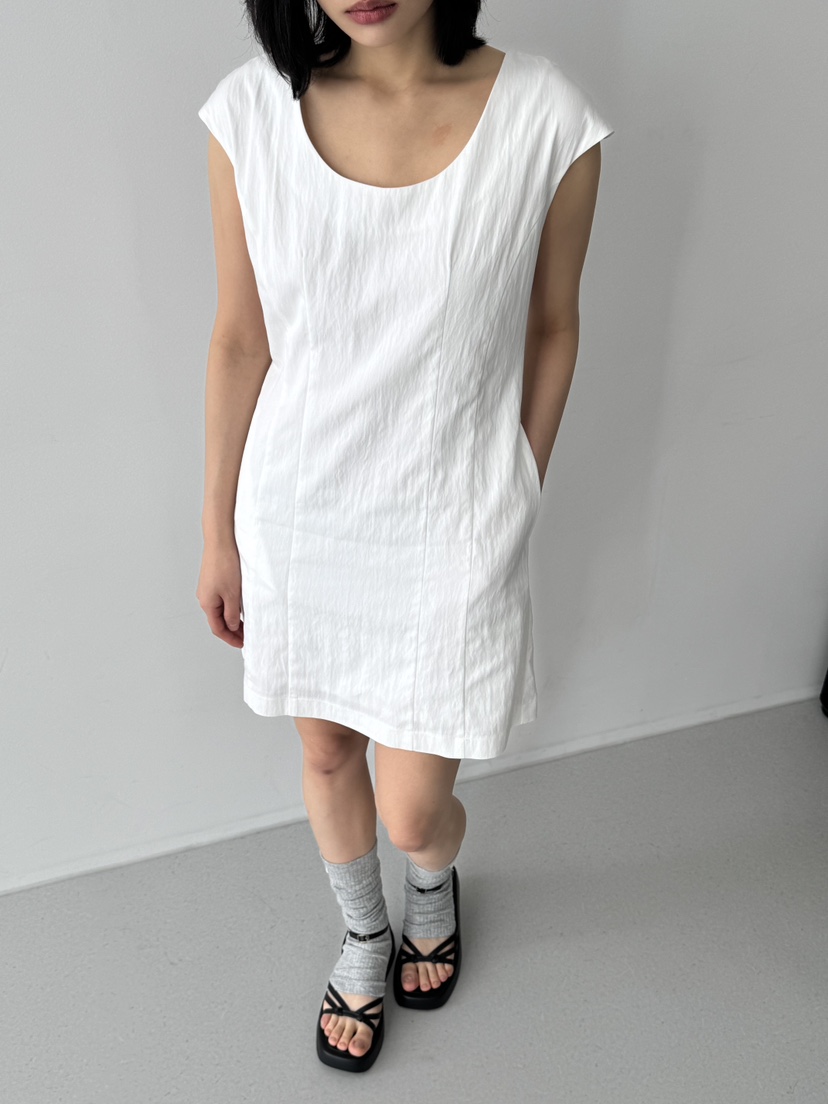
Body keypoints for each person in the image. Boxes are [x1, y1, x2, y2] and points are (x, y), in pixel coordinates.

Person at [196, 0, 614, 1074]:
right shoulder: (251, 113)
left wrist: (519, 486)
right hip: (301, 512)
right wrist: (217, 532)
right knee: (326, 749)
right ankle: (365, 932)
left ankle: (433, 881)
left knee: (417, 810)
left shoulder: (544, 117)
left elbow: (554, 325)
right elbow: (241, 339)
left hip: (449, 517)